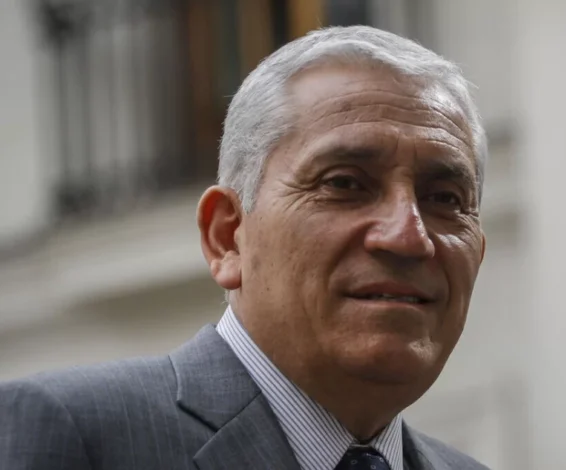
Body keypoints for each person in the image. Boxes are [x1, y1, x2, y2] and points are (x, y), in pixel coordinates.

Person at [0, 25, 488, 470]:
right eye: (344, 184)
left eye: (445, 198)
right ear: (227, 236)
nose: (408, 236)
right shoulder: (75, 436)